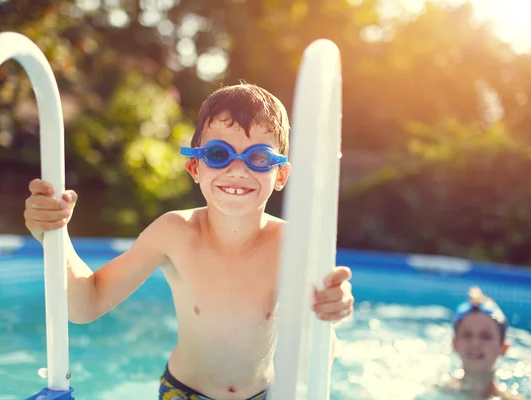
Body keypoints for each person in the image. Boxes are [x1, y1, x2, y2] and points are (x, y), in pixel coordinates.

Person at [23, 83, 354, 400]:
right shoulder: (174, 233)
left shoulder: (293, 244)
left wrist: (331, 308)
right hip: (184, 394)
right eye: (218, 153)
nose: (238, 169)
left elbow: (321, 349)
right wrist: (54, 235)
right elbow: (86, 304)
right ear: (194, 166)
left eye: (260, 158)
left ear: (280, 175)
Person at [439, 287, 523, 400]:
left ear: (503, 348)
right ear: (454, 344)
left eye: (486, 336)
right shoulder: (437, 392)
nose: (475, 343)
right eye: (467, 334)